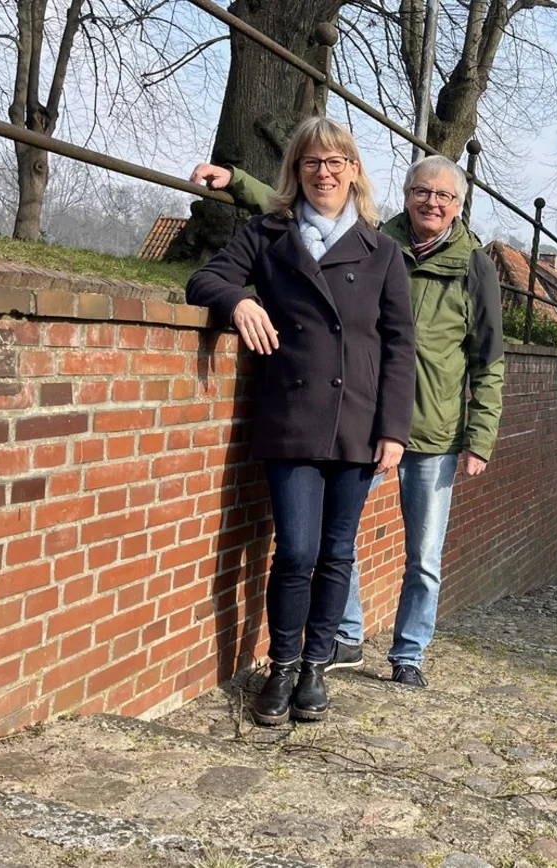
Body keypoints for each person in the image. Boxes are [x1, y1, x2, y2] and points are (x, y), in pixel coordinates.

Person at [190, 152, 504, 688]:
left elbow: (489, 358)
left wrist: (481, 437)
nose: (432, 203)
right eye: (422, 192)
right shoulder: (378, 240)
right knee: (339, 539)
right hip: (367, 418)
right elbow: (311, 206)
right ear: (406, 196)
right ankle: (347, 634)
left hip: (434, 429)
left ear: (459, 205)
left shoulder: (474, 266)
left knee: (424, 556)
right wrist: (237, 181)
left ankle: (409, 653)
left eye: (444, 196)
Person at [185, 117, 416, 724]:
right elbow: (203, 279)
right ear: (296, 170)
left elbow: (400, 346)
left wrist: (394, 429)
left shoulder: (382, 251)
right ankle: (282, 665)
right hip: (290, 417)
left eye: (336, 161)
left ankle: (315, 666)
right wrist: (239, 300)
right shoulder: (268, 233)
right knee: (295, 551)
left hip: (357, 421)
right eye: (312, 161)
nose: (324, 172)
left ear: (354, 171)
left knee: (336, 552)